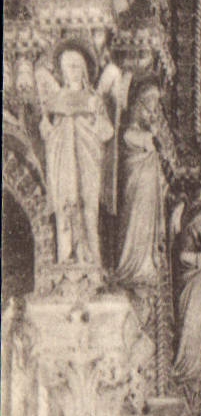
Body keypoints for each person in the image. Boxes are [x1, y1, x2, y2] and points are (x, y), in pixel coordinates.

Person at [36, 46, 118, 266]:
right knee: (65, 207)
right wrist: (48, 126)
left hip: (88, 162)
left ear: (83, 69)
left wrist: (96, 117)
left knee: (89, 208)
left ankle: (91, 256)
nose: (71, 71)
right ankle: (66, 255)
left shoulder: (93, 99)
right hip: (63, 163)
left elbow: (107, 132)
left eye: (75, 66)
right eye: (67, 67)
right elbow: (48, 134)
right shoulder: (56, 100)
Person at [116, 83, 166, 286]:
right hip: (136, 190)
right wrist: (153, 133)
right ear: (138, 108)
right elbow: (147, 142)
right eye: (149, 110)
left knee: (146, 224)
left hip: (149, 192)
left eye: (155, 111)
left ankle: (146, 265)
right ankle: (132, 266)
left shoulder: (144, 134)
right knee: (136, 223)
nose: (152, 115)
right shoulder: (130, 133)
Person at [172, 206, 201, 384]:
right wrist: (200, 258)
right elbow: (182, 257)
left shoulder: (198, 241)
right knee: (189, 324)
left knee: (197, 325)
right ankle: (184, 365)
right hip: (189, 288)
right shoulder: (187, 236)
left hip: (199, 292)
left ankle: (195, 368)